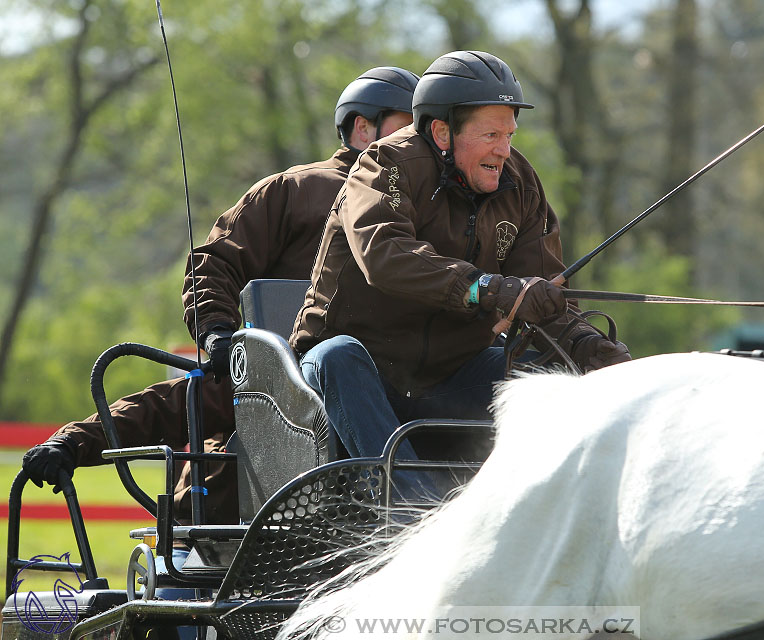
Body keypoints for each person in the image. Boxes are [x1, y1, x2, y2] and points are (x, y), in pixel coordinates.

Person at [20, 67, 420, 525]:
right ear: (362, 126)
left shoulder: (429, 206)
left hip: (393, 380)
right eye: (406, 124)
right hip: (286, 383)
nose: (419, 140)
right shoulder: (296, 192)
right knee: (210, 410)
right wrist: (216, 333)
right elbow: (214, 264)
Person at [290, 51, 631, 478]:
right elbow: (385, 255)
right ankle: (410, 516)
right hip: (346, 379)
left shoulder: (520, 184)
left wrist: (588, 348)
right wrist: (485, 288)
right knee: (338, 355)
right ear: (442, 132)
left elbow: (540, 290)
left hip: (447, 377)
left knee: (556, 372)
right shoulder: (386, 165)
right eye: (491, 135)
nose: (504, 150)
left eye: (509, 134)